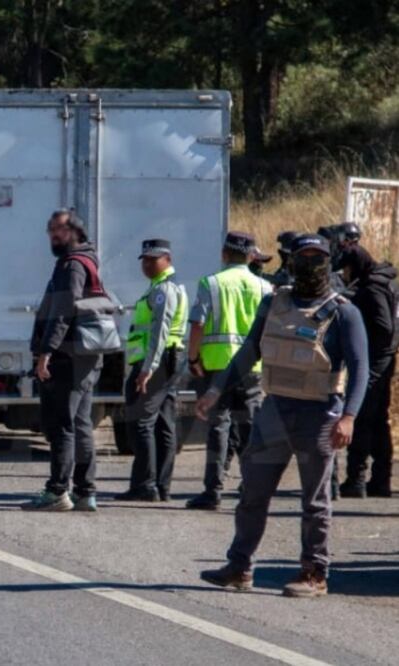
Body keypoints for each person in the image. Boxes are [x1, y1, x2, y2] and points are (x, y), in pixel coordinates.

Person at [199, 234, 368, 598]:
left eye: (317, 257)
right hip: (274, 411)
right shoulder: (273, 303)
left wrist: (349, 416)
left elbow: (360, 368)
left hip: (319, 415)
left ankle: (314, 573)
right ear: (290, 261)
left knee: (315, 501)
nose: (310, 263)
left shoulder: (344, 312)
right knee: (252, 493)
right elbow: (249, 351)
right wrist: (216, 389)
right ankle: (239, 567)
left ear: (328, 262)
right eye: (303, 256)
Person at [21, 210, 103, 513]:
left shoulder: (72, 266)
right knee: (80, 424)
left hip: (68, 357)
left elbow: (63, 313)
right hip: (84, 357)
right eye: (50, 229)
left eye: (58, 229)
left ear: (75, 232)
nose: (53, 235)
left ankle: (58, 491)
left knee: (61, 425)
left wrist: (46, 353)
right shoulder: (87, 260)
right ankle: (85, 492)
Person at [185, 231, 271, 511]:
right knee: (250, 427)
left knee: (218, 427)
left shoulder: (210, 283)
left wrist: (193, 358)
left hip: (215, 365)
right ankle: (251, 487)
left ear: (224, 254)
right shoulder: (264, 287)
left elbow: (197, 324)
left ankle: (213, 491)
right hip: (252, 367)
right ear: (251, 256)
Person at [115, 239, 188, 502]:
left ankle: (145, 485)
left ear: (167, 260)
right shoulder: (161, 286)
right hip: (167, 359)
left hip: (157, 361)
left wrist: (148, 368)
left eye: (153, 259)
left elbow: (159, 332)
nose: (147, 264)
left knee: (140, 422)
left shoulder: (163, 290)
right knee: (163, 423)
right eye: (144, 259)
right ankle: (160, 485)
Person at [337, 244, 398, 497]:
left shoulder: (372, 287)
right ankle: (380, 480)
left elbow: (384, 327)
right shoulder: (385, 282)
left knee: (361, 417)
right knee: (378, 420)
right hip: (385, 358)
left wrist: (365, 346)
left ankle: (357, 479)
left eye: (346, 270)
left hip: (375, 360)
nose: (344, 275)